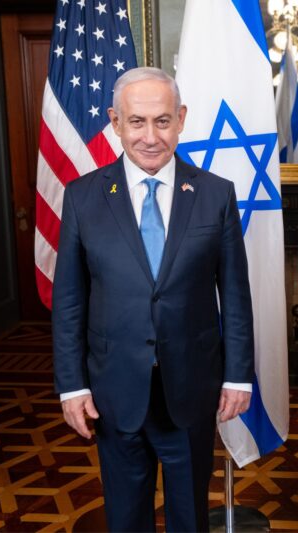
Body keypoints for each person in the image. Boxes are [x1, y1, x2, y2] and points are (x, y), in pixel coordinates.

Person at [52, 67, 254, 532]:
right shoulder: (83, 198)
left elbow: (235, 296)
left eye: (162, 121)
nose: (150, 136)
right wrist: (72, 386)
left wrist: (238, 376)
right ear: (115, 122)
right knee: (125, 519)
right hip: (114, 391)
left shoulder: (215, 194)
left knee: (190, 518)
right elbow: (69, 302)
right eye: (136, 122)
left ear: (180, 119)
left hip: (192, 388)